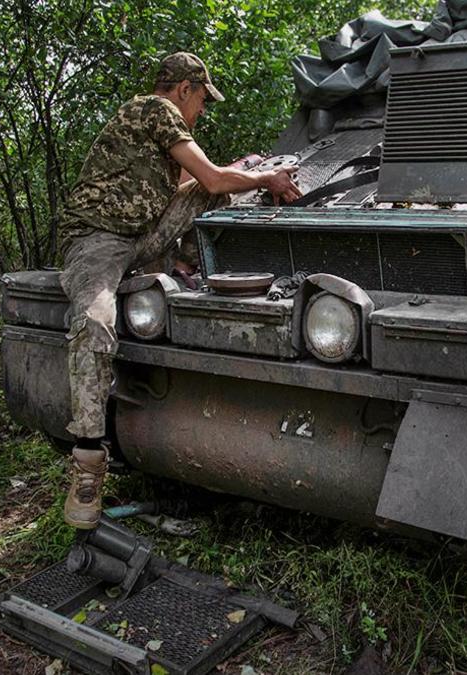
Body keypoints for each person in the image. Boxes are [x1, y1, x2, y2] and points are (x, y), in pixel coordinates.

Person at [58, 52, 301, 529]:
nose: (202, 111)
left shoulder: (153, 130)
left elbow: (198, 184)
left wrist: (245, 171)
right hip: (98, 240)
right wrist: (264, 177)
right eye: (202, 101)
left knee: (218, 188)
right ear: (185, 88)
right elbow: (209, 176)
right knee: (95, 321)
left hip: (139, 236)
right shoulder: (155, 109)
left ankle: (186, 266)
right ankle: (88, 464)